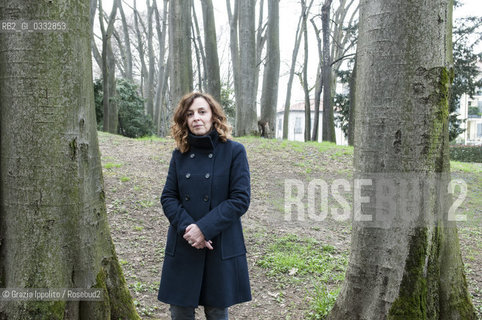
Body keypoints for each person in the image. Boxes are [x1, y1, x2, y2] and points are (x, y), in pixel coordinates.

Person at [158, 92, 251, 320]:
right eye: (190, 114)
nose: (196, 118)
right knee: (179, 311)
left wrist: (205, 229)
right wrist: (190, 230)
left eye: (202, 112)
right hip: (185, 242)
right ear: (185, 120)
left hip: (218, 244)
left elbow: (240, 199)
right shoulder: (179, 155)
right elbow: (168, 197)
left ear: (213, 116)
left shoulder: (234, 151)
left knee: (217, 311)